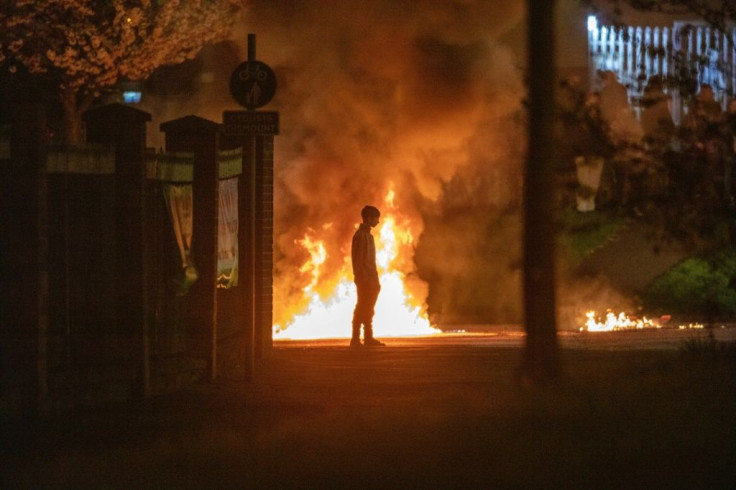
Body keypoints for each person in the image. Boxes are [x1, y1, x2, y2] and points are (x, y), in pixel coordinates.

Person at [350, 205, 385, 347]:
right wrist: (363, 278)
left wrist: (375, 280)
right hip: (365, 279)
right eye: (377, 218)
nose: (378, 221)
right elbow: (358, 260)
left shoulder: (368, 236)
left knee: (368, 308)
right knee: (362, 307)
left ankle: (368, 337)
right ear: (369, 218)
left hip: (371, 278)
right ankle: (356, 338)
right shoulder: (360, 236)